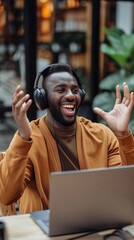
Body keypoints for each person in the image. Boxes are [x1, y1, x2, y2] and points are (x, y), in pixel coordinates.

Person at [0, 63, 134, 214]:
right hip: (44, 232)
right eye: (61, 90)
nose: (71, 95)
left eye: (75, 90)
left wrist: (122, 136)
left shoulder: (102, 136)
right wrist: (23, 137)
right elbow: (6, 196)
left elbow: (125, 189)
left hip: (95, 223)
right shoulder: (30, 139)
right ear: (43, 98)